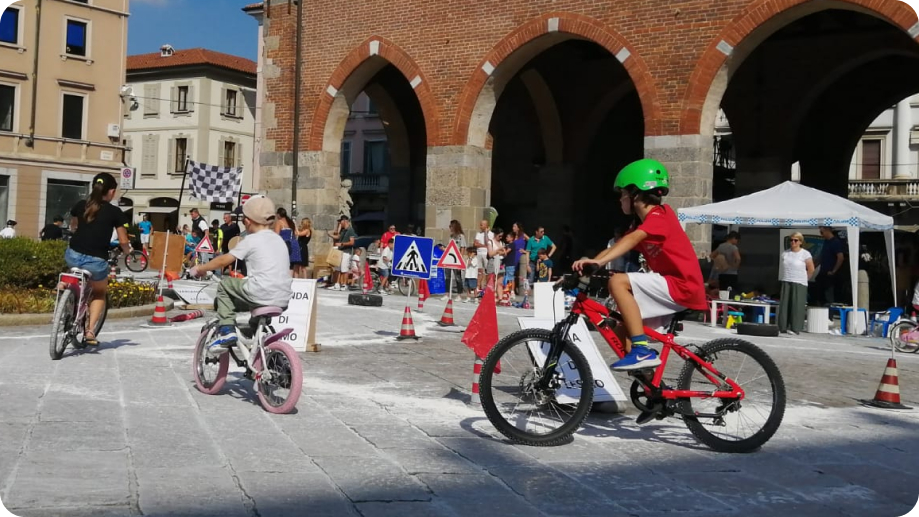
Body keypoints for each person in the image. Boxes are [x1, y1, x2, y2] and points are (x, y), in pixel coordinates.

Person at [573, 159, 706, 373]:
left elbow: (632, 240)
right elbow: (618, 245)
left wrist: (599, 262)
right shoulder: (642, 223)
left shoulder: (660, 215)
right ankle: (652, 390)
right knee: (619, 331)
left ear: (636, 193)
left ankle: (641, 349)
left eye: (622, 194)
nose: (620, 200)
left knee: (618, 282)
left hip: (682, 286)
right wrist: (591, 265)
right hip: (671, 287)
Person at [188, 195, 292, 351]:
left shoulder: (251, 240)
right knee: (255, 299)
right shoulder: (279, 241)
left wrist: (200, 268)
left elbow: (224, 260)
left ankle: (227, 330)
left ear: (248, 221)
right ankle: (255, 335)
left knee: (224, 286)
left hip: (260, 293)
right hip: (283, 298)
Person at [64, 173, 130, 346]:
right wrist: (128, 252)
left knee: (73, 262)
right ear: (112, 191)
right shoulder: (115, 212)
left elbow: (73, 226)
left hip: (73, 254)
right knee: (100, 293)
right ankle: (90, 331)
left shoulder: (80, 205)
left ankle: (65, 285)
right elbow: (123, 241)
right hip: (96, 260)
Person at [777, 232, 815, 335]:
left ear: (800, 242)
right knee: (785, 304)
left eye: (796, 240)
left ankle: (795, 328)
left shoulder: (805, 253)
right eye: (791, 240)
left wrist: (805, 279)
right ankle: (783, 327)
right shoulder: (785, 253)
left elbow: (811, 268)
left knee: (796, 305)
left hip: (799, 282)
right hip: (786, 279)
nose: (793, 242)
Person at [815, 226, 845, 305]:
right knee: (818, 293)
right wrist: (813, 266)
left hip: (829, 274)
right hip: (822, 272)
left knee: (829, 295)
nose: (821, 235)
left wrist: (833, 271)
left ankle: (829, 312)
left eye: (822, 232)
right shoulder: (826, 241)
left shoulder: (835, 242)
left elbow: (840, 257)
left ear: (827, 230)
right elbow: (822, 256)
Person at [329, 215, 357, 290]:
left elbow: (352, 242)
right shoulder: (343, 230)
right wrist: (330, 235)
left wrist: (342, 244)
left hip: (346, 252)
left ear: (344, 221)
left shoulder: (350, 230)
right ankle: (337, 284)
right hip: (340, 251)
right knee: (337, 268)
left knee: (344, 268)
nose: (340, 223)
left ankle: (344, 284)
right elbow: (338, 237)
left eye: (341, 221)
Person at [474, 219, 494, 292]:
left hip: (486, 254)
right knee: (479, 271)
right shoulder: (478, 233)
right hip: (479, 254)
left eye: (482, 224)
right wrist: (484, 245)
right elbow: (475, 244)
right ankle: (478, 287)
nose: (480, 226)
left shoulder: (491, 234)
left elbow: (487, 243)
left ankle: (486, 287)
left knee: (486, 271)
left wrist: (486, 232)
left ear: (486, 225)